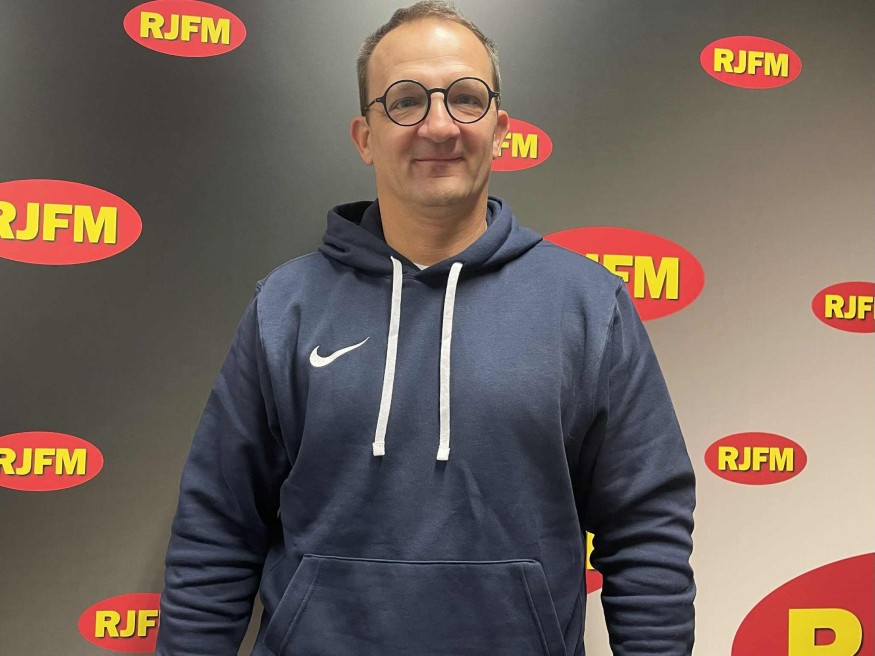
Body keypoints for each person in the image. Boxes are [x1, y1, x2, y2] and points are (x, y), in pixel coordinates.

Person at [156, 2, 696, 655]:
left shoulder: (585, 306)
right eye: (406, 101)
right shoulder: (286, 307)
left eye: (465, 98)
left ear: (499, 128)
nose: (439, 126)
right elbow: (216, 529)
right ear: (365, 136)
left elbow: (645, 533)